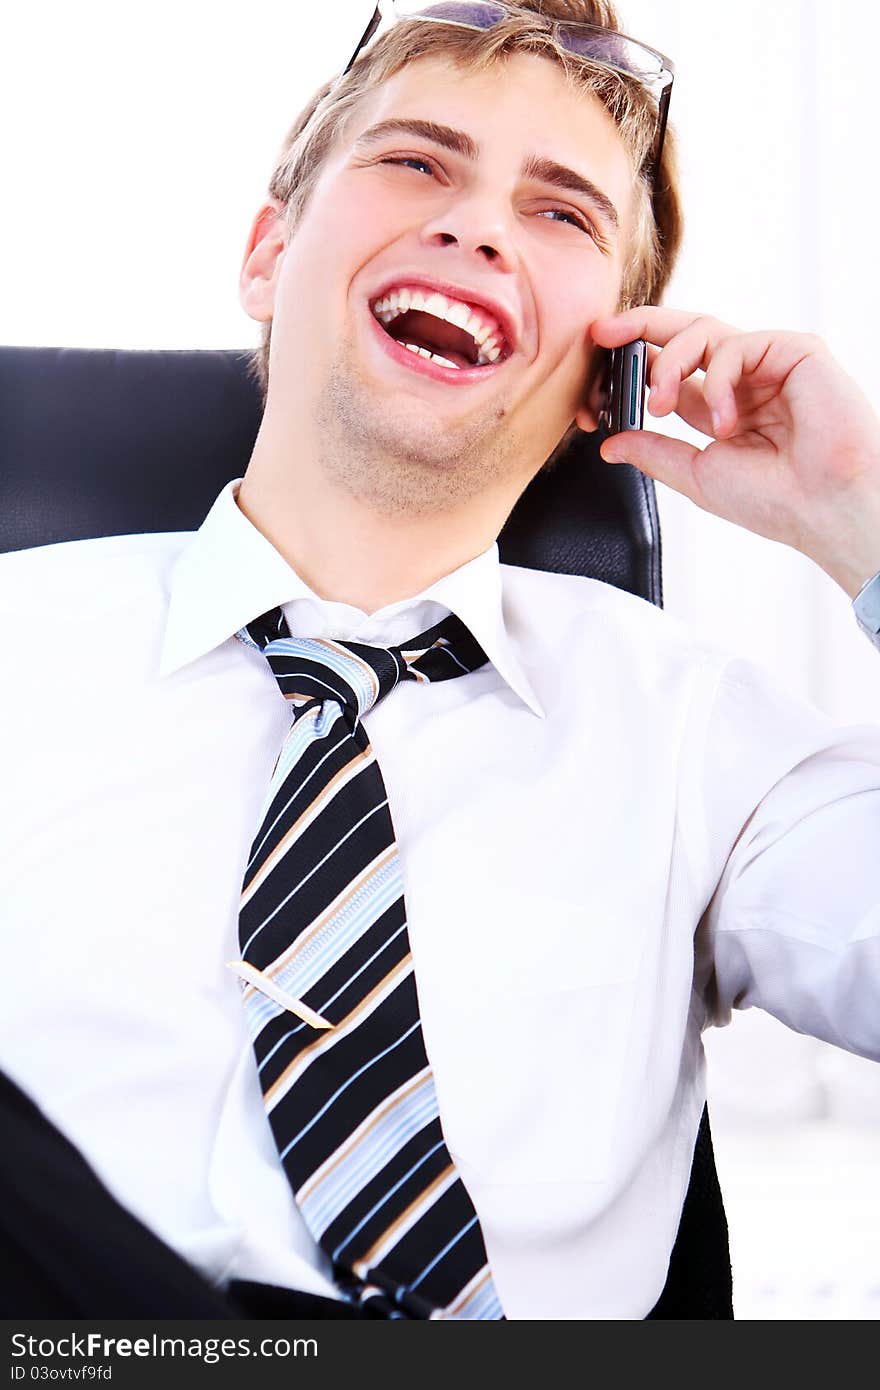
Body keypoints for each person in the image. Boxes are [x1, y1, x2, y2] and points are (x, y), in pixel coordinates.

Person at [2, 0, 879, 1321]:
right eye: (416, 160)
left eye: (565, 213)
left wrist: (869, 522)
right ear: (267, 257)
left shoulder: (704, 737)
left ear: (610, 379)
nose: (474, 225)